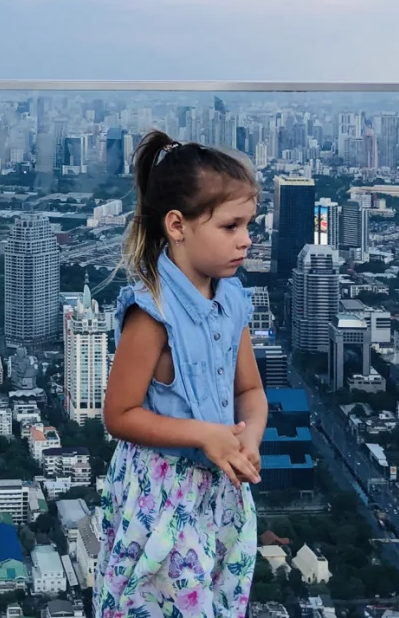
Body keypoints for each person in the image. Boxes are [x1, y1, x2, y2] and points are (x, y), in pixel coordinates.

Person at [94, 129, 266, 618]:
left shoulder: (233, 300)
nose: (246, 240)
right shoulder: (152, 312)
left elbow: (250, 389)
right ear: (177, 225)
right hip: (161, 493)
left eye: (248, 225)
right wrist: (205, 435)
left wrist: (248, 437)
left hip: (221, 489)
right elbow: (119, 414)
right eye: (231, 226)